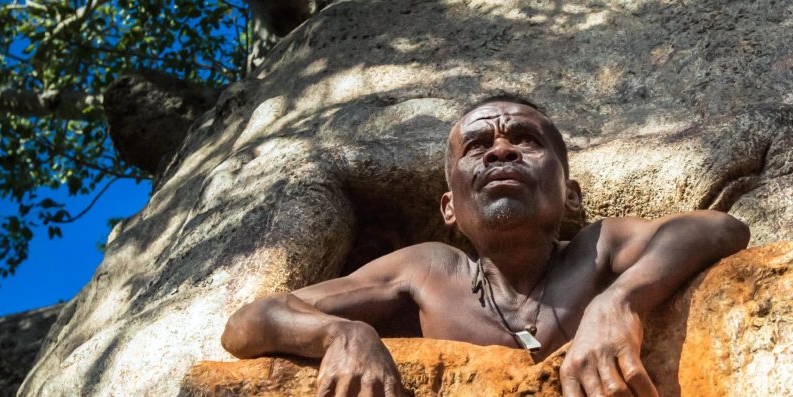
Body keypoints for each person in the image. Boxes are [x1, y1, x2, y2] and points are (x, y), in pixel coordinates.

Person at [221, 96, 750, 397]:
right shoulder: (428, 270)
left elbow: (718, 228)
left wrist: (619, 302)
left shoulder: (597, 247)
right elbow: (248, 322)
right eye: (478, 146)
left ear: (570, 196)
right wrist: (342, 333)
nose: (501, 151)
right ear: (449, 208)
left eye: (525, 140)